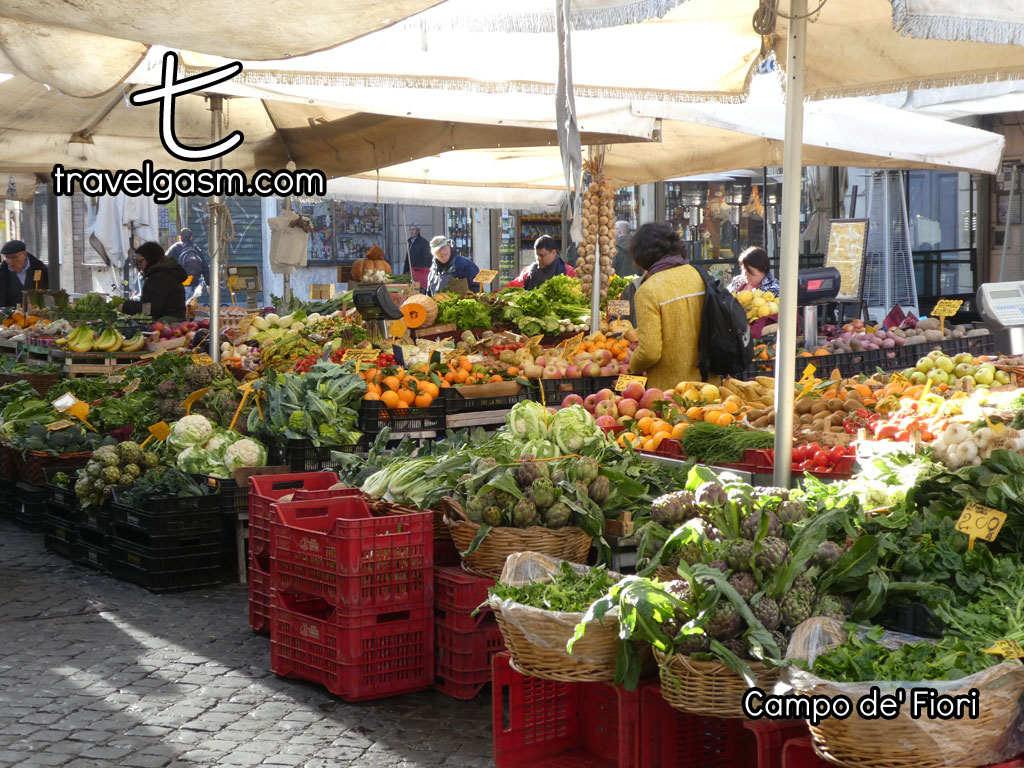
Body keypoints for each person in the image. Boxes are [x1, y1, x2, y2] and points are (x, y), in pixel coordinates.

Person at [628, 222, 705, 390]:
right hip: (708, 386)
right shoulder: (699, 275)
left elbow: (649, 351)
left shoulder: (649, 290)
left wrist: (632, 363)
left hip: (672, 392)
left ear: (640, 255)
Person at [121, 242, 187, 321]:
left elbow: (152, 309)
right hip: (173, 323)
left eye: (140, 262)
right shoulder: (165, 273)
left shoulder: (160, 277)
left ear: (150, 259)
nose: (138, 266)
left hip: (166, 325)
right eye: (137, 262)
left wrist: (126, 307)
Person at [505, 235, 577, 289]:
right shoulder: (528, 272)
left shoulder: (569, 272)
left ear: (554, 253)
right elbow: (514, 286)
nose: (538, 259)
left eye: (542, 255)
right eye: (537, 255)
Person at [0, 240, 48, 307]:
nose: (10, 262)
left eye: (14, 257)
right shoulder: (2, 273)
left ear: (24, 255)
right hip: (11, 316)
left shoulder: (41, 269)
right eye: (7, 257)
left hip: (38, 315)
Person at [405, 224, 431, 292]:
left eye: (413, 229)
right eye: (410, 230)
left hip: (420, 272)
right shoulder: (410, 242)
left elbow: (427, 259)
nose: (411, 231)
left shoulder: (424, 243)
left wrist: (425, 273)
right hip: (411, 271)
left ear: (418, 231)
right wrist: (405, 271)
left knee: (419, 290)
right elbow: (407, 258)